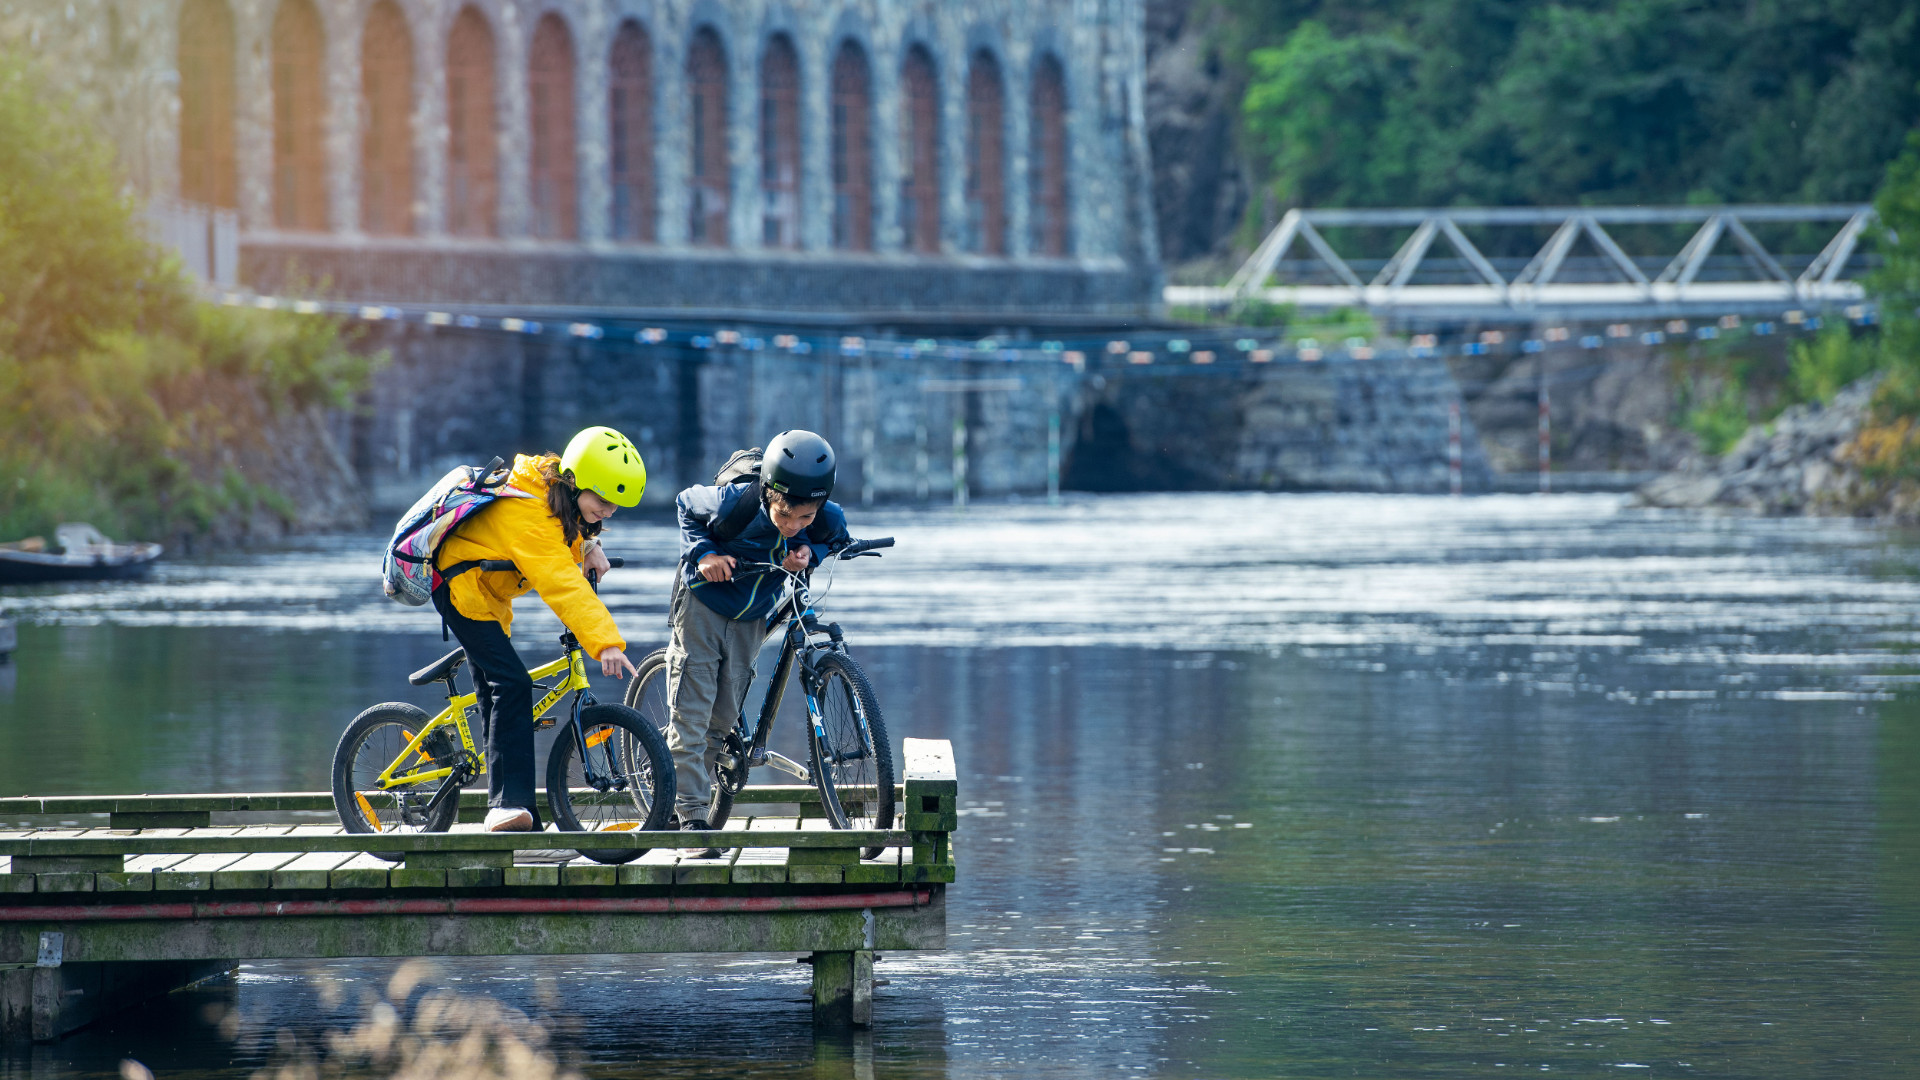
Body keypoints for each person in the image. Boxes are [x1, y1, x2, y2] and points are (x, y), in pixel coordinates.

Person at [432, 426, 645, 832]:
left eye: (615, 506)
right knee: (510, 684)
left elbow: (561, 533)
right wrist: (605, 644)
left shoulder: (552, 497)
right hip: (460, 590)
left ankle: (515, 811)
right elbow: (561, 582)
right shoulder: (529, 514)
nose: (608, 512)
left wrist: (586, 543)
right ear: (575, 482)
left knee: (500, 693)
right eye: (602, 502)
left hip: (486, 594)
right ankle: (505, 806)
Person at [669, 429, 851, 854]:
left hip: (751, 615)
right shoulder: (735, 502)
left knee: (724, 713)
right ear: (769, 493)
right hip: (704, 602)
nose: (792, 525)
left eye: (804, 518)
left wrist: (810, 551)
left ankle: (698, 795)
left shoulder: (824, 516)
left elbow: (833, 537)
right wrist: (704, 555)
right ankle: (691, 818)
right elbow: (684, 504)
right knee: (693, 711)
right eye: (784, 515)